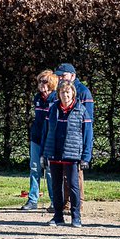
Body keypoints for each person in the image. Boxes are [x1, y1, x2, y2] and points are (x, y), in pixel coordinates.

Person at [41, 79, 92, 227]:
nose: (65, 95)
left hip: (72, 154)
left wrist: (86, 157)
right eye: (62, 92)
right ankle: (58, 216)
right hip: (54, 152)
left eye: (68, 92)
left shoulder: (81, 110)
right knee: (56, 186)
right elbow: (45, 132)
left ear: (73, 94)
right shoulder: (52, 110)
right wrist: (44, 154)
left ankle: (76, 217)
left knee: (73, 186)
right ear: (58, 94)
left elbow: (88, 135)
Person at [22, 70, 57, 212]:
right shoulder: (37, 98)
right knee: (34, 168)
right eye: (39, 81)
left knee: (50, 170)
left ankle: (55, 201)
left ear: (51, 83)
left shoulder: (55, 98)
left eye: (44, 81)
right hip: (36, 137)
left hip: (50, 139)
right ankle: (32, 199)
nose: (41, 84)